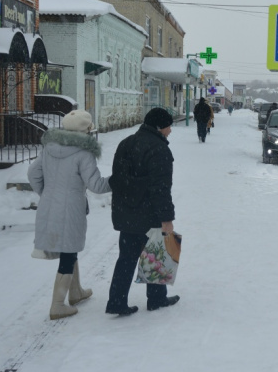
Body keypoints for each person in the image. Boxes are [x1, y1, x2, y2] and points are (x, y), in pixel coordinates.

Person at [28, 109, 110, 320]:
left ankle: (76, 292)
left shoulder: (50, 147)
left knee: (68, 248)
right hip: (71, 208)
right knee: (68, 252)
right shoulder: (84, 152)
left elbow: (33, 173)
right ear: (87, 130)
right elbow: (96, 185)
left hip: (49, 205)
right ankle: (57, 305)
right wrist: (117, 181)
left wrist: (47, 193)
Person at [106, 108, 180, 315]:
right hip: (150, 215)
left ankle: (116, 302)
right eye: (168, 126)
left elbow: (118, 179)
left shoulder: (126, 143)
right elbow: (160, 188)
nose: (170, 131)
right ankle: (157, 299)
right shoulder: (159, 149)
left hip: (126, 211)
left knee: (126, 259)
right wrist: (167, 218)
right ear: (159, 126)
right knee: (156, 255)